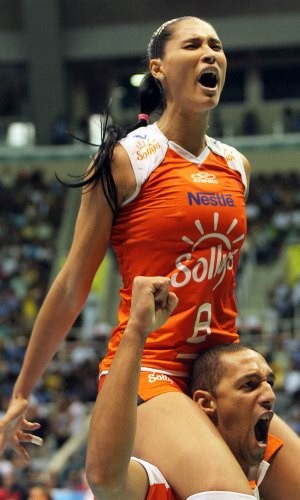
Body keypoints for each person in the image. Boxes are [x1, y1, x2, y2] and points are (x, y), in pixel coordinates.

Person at [0, 15, 299, 499]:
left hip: (219, 372)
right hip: (150, 367)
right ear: (157, 68)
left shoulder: (237, 167)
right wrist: (21, 389)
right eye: (194, 44)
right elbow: (75, 281)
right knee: (228, 496)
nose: (210, 53)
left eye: (216, 45)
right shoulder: (127, 159)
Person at [86, 275, 282, 500]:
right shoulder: (164, 485)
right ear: (206, 403)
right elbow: (105, 480)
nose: (270, 395)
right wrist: (136, 331)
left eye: (270, 383)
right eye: (249, 385)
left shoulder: (273, 484)